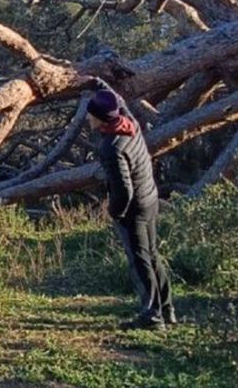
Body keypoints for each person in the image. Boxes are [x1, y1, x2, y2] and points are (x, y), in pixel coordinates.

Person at [86, 81, 176, 330]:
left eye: (91, 114)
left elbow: (123, 190)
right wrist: (96, 83)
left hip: (134, 209)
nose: (87, 117)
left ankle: (152, 317)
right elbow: (119, 101)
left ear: (100, 119)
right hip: (150, 199)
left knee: (140, 261)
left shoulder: (111, 148)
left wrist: (116, 212)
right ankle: (167, 309)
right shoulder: (130, 124)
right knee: (153, 254)